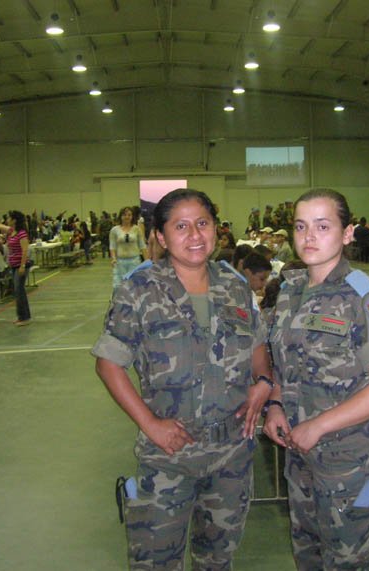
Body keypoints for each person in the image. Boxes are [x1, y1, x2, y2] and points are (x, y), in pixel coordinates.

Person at [92, 188, 274, 570]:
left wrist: (263, 381)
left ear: (216, 229)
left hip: (231, 454)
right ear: (160, 236)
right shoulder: (138, 290)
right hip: (169, 455)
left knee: (217, 560)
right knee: (155, 562)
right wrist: (150, 424)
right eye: (181, 226)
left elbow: (257, 345)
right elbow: (109, 364)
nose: (195, 235)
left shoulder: (235, 286)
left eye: (202, 223)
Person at [264, 188, 369, 569]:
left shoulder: (365, 296)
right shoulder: (290, 290)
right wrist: (275, 403)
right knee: (308, 552)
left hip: (350, 457)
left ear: (347, 233)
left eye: (322, 226)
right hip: (300, 450)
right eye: (300, 226)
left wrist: (318, 426)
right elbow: (283, 362)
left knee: (347, 559)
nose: (309, 236)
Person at [0, 211, 32, 326]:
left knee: (19, 290)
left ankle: (24, 317)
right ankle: (23, 316)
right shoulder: (11, 231)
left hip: (20, 265)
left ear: (14, 220)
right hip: (13, 265)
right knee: (18, 291)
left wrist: (22, 266)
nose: (7, 220)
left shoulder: (22, 233)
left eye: (9, 218)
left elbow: (25, 250)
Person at [109, 206, 147, 290]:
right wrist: (113, 258)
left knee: (134, 286)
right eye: (124, 215)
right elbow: (112, 246)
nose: (127, 217)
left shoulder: (137, 229)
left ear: (132, 216)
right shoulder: (114, 230)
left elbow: (142, 245)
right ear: (120, 216)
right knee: (118, 286)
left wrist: (147, 261)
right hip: (120, 262)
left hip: (134, 261)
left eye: (129, 215)